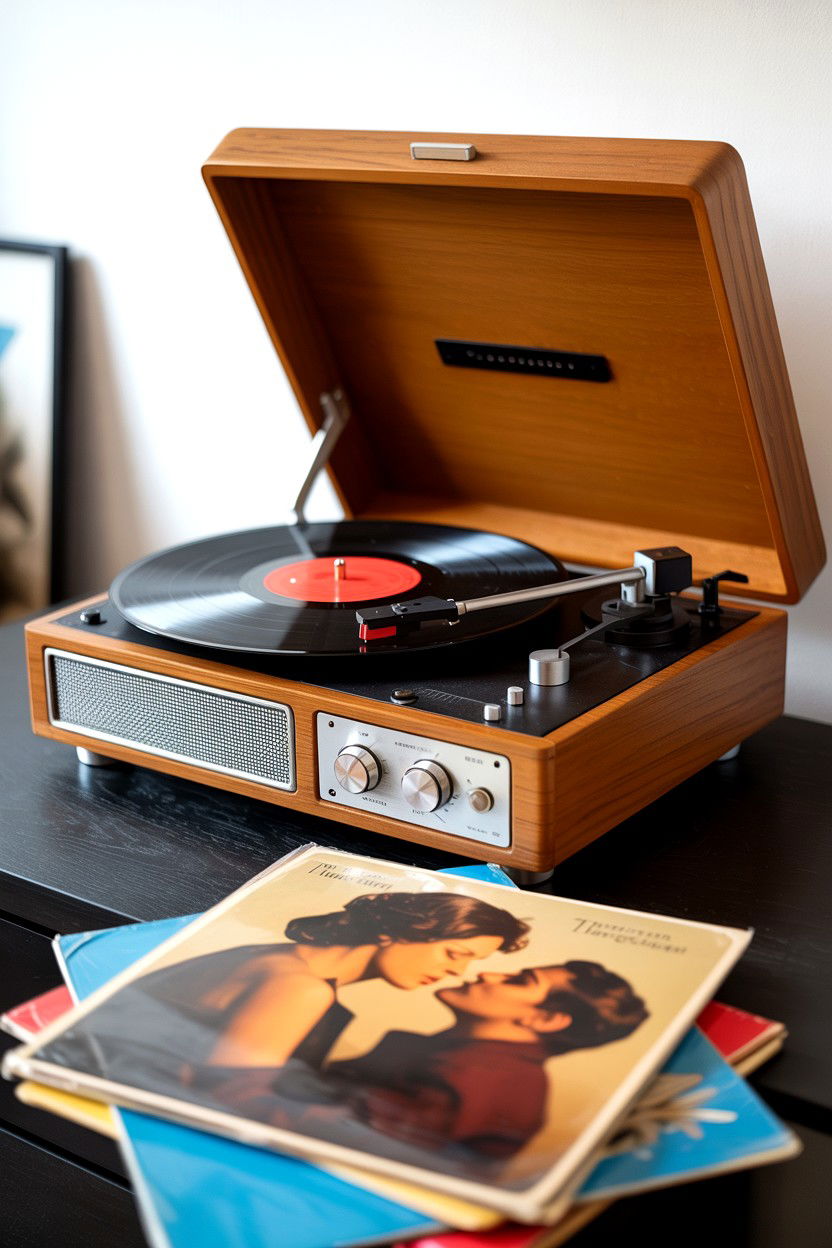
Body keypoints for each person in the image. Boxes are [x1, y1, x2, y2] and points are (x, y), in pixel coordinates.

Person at [36, 891, 529, 1090]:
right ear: (398, 931)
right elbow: (222, 1099)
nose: (458, 973)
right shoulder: (301, 988)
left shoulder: (281, 958)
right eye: (456, 953)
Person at [326, 960, 649, 1161]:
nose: (488, 973)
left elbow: (336, 1133)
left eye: (518, 981)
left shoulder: (480, 1076)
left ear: (546, 1019)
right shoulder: (466, 1059)